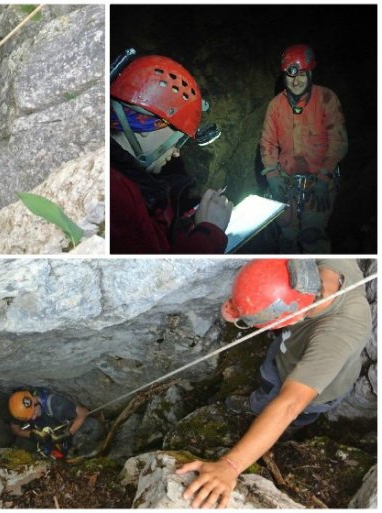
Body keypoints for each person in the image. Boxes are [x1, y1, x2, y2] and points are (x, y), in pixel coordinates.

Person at [176, 259, 371, 508]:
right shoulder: (323, 264)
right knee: (268, 385)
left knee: (295, 413)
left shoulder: (339, 333)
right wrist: (241, 307)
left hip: (315, 392)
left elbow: (290, 403)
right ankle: (257, 406)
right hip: (286, 353)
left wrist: (230, 465)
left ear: (295, 315)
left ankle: (286, 432)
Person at [110, 54, 232, 253]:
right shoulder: (118, 196)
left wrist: (181, 223)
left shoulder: (129, 181)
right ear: (145, 127)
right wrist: (210, 232)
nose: (176, 153)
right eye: (178, 140)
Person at [259, 44, 348, 253]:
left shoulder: (326, 99)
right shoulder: (275, 106)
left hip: (319, 182)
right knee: (287, 238)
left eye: (301, 74)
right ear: (284, 76)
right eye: (290, 76)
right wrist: (272, 175)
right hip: (286, 182)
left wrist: (325, 176)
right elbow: (268, 142)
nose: (296, 81)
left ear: (310, 73)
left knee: (313, 236)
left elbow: (338, 141)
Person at [8, 389, 90, 460]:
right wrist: (33, 434)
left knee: (91, 426)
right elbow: (15, 430)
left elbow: (83, 412)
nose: (33, 418)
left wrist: (69, 433)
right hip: (47, 433)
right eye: (29, 418)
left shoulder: (56, 404)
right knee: (21, 444)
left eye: (33, 413)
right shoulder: (19, 411)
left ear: (35, 401)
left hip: (66, 426)